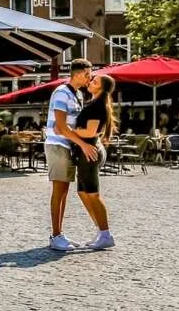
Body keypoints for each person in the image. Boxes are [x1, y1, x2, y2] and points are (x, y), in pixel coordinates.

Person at [44, 58, 96, 252]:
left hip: (67, 145)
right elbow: (61, 126)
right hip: (58, 146)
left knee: (64, 191)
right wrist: (82, 144)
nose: (90, 78)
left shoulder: (77, 95)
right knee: (59, 190)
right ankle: (55, 235)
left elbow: (69, 126)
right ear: (79, 73)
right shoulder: (61, 93)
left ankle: (59, 234)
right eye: (88, 74)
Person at [73, 74, 117, 250]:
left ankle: (106, 234)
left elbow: (90, 132)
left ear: (101, 88)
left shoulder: (97, 106)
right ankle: (101, 231)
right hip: (86, 151)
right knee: (83, 192)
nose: (91, 82)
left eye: (95, 81)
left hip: (89, 152)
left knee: (93, 193)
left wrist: (66, 130)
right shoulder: (93, 104)